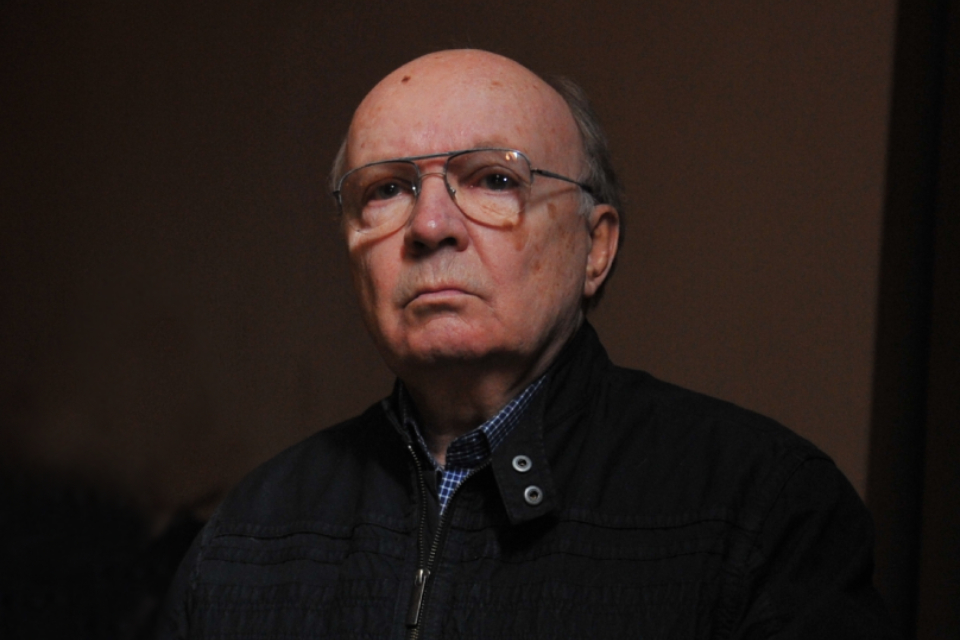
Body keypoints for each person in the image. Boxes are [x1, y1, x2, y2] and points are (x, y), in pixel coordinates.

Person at [158, 49, 896, 638]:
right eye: (386, 190)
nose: (430, 226)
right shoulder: (250, 533)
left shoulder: (759, 507)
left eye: (492, 179)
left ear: (595, 247)